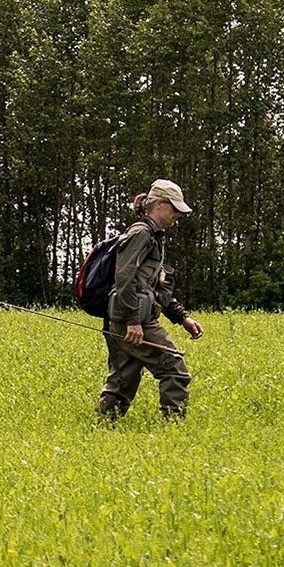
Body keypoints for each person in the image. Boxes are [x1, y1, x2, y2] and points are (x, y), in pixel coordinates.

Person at [99, 179, 204, 422]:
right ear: (158, 205)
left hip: (124, 318)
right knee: (175, 369)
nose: (177, 214)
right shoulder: (141, 233)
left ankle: (103, 428)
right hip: (136, 320)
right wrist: (133, 321)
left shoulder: (154, 236)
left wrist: (182, 317)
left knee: (122, 380)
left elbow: (155, 287)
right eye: (174, 208)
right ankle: (173, 429)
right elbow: (125, 277)